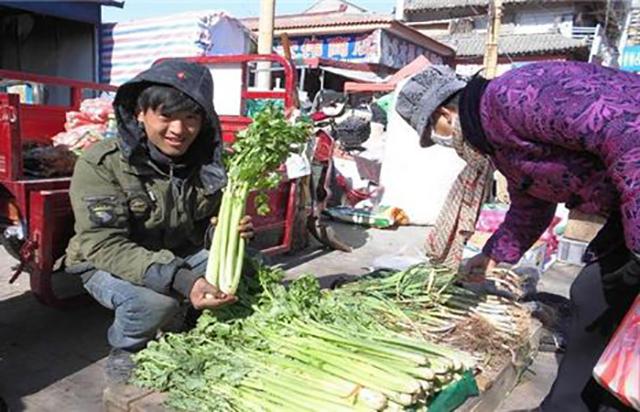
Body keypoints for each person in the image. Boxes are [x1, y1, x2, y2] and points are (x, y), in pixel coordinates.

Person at [396, 62, 640, 411]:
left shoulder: (514, 96)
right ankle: (574, 405)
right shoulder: (500, 144)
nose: (442, 143)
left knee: (601, 295)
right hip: (626, 203)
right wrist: (490, 255)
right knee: (593, 295)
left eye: (432, 132)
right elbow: (532, 205)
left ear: (445, 114)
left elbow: (628, 131)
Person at [65, 60, 253, 384]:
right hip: (102, 262)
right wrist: (182, 281)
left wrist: (222, 233)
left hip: (173, 252)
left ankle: (189, 322)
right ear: (140, 113)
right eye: (165, 116)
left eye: (191, 117)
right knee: (154, 303)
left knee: (249, 268)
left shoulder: (206, 165)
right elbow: (103, 244)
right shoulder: (102, 163)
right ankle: (127, 348)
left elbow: (201, 227)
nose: (179, 131)